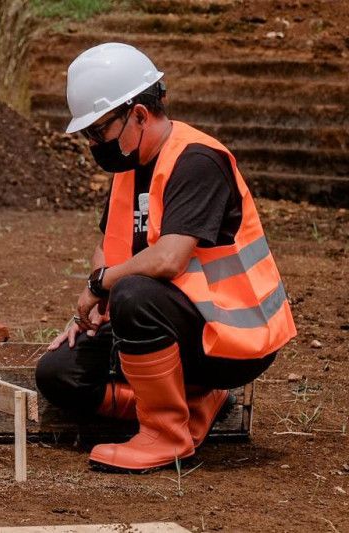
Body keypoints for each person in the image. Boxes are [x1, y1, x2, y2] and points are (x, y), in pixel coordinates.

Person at [35, 43, 296, 472]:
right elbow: (111, 246)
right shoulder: (130, 164)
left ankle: (166, 434)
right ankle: (194, 403)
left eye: (99, 131)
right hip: (170, 321)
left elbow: (169, 260)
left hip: (232, 337)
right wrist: (92, 311)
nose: (94, 143)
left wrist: (102, 286)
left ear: (138, 114)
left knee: (133, 294)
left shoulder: (197, 160)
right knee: (59, 373)